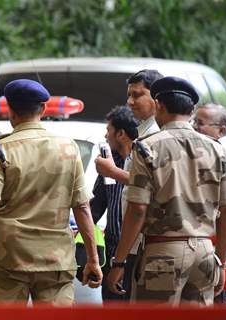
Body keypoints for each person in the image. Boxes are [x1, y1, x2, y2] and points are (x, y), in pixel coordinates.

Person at [0, 79, 102, 304]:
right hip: (56, 260)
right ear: (43, 109)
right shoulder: (68, 148)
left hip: (8, 257)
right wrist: (93, 259)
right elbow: (81, 207)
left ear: (10, 111)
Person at [107, 76, 226, 305]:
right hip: (205, 252)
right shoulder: (217, 150)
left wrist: (119, 262)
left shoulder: (146, 146)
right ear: (191, 110)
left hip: (162, 253)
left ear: (159, 106)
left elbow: (137, 208)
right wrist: (221, 262)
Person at [95, 69, 163, 298]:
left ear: (157, 98)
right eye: (129, 95)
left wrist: (113, 172)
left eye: (137, 95)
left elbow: (151, 189)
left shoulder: (156, 137)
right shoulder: (143, 134)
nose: (130, 101)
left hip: (148, 244)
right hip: (133, 244)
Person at [90, 106, 139, 301]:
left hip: (136, 255)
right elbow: (97, 205)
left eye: (108, 129)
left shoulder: (140, 160)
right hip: (111, 255)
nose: (105, 134)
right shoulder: (109, 162)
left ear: (120, 134)